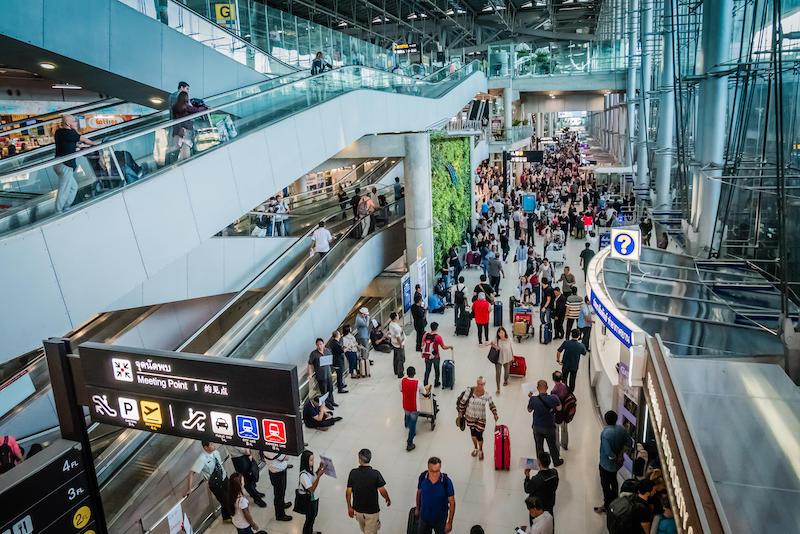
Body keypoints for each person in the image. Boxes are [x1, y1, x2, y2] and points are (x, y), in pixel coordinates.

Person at [54, 115, 98, 212]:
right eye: (74, 121)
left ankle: (66, 207)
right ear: (68, 124)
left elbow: (72, 144)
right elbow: (84, 139)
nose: (76, 123)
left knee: (73, 187)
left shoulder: (59, 132)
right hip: (65, 165)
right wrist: (96, 145)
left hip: (60, 164)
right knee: (64, 189)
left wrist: (80, 146)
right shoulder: (68, 132)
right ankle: (58, 211)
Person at [346, 449, 391, 534]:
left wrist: (349, 507)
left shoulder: (353, 473)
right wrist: (387, 498)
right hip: (372, 511)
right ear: (370, 458)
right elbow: (382, 490)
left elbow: (348, 492)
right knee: (370, 531)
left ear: (359, 460)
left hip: (358, 511)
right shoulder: (375, 474)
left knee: (365, 530)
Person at [594, 410, 630, 514]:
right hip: (617, 465)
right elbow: (629, 443)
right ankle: (615, 502)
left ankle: (607, 505)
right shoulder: (621, 430)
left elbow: (608, 452)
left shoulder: (605, 433)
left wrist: (614, 457)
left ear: (605, 420)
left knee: (605, 485)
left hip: (606, 465)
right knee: (614, 481)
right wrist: (620, 455)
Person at [457, 376, 498, 460]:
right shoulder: (469, 391)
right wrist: (460, 413)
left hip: (481, 418)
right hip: (470, 417)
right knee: (473, 433)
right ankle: (475, 448)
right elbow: (463, 401)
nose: (480, 386)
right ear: (477, 383)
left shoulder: (486, 395)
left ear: (484, 384)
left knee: (479, 435)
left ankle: (480, 450)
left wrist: (495, 414)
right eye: (479, 384)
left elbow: (491, 404)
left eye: (482, 384)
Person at [188, 441, 231, 521]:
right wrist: (189, 489)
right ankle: (234, 517)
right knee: (226, 501)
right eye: (211, 444)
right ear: (205, 447)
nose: (214, 445)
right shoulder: (202, 459)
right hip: (216, 484)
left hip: (224, 478)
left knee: (228, 498)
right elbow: (191, 473)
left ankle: (226, 517)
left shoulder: (216, 452)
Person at [527, 380, 563, 467]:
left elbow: (529, 410)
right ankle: (556, 461)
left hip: (537, 427)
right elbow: (559, 409)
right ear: (547, 388)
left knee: (539, 447)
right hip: (549, 427)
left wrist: (531, 397)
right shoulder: (553, 398)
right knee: (552, 446)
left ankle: (541, 464)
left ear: (537, 388)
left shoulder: (533, 399)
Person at [415, 457, 456, 534]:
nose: (434, 474)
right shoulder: (423, 477)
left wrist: (450, 522)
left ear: (440, 468)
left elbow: (452, 503)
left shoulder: (446, 482)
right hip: (424, 517)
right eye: (432, 471)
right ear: (428, 468)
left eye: (437, 471)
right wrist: (417, 508)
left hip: (440, 520)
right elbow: (419, 493)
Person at [401, 366, 430, 451]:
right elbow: (424, 392)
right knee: (413, 426)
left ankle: (406, 424)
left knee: (407, 414)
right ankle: (409, 443)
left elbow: (400, 389)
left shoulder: (402, 381)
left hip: (405, 405)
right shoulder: (418, 382)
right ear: (414, 373)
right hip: (414, 407)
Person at [171, 92, 207, 160]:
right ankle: (185, 161)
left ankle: (177, 161)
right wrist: (205, 107)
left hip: (177, 130)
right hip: (186, 129)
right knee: (186, 147)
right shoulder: (186, 106)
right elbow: (197, 110)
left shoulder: (174, 106)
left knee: (178, 147)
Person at [523, 452, 559, 518]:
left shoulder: (536, 479)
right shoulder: (555, 472)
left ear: (539, 463)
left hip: (538, 507)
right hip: (550, 503)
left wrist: (527, 476)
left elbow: (527, 489)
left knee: (536, 524)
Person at [298, 450, 326, 534]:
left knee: (313, 516)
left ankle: (310, 531)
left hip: (314, 498)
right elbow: (311, 489)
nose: (313, 462)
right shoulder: (303, 475)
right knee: (310, 519)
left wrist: (319, 469)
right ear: (305, 461)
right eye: (311, 460)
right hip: (309, 500)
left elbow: (313, 477)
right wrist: (319, 477)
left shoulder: (309, 469)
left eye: (313, 459)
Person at [264, 451, 293, 522]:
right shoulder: (272, 451)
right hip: (278, 474)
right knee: (279, 495)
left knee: (281, 492)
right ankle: (280, 515)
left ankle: (282, 504)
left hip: (275, 471)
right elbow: (287, 457)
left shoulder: (265, 449)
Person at [308, 337, 336, 409]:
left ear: (323, 344)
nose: (320, 346)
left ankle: (332, 401)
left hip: (328, 374)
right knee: (324, 391)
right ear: (316, 345)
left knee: (330, 388)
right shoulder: (314, 354)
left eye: (321, 344)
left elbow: (330, 360)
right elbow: (310, 364)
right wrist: (310, 374)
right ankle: (327, 404)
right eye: (318, 345)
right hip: (321, 376)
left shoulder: (327, 351)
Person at [421, 322, 451, 387]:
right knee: (436, 370)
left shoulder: (425, 335)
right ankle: (436, 383)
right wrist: (450, 347)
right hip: (435, 356)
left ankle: (425, 384)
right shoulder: (438, 337)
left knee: (427, 371)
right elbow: (443, 347)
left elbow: (423, 345)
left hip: (427, 356)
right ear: (436, 328)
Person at [550, 370, 571, 450]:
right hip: (565, 413)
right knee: (564, 429)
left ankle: (557, 448)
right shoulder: (565, 386)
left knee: (556, 431)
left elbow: (554, 405)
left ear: (553, 379)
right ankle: (564, 445)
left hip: (558, 414)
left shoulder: (554, 391)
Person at [490, 326, 514, 394]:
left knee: (507, 372)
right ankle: (498, 388)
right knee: (498, 373)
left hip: (507, 358)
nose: (501, 334)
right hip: (498, 359)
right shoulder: (496, 339)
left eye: (502, 332)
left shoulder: (509, 339)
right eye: (499, 333)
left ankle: (505, 380)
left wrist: (512, 356)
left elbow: (511, 348)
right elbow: (491, 343)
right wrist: (496, 346)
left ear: (504, 332)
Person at [328, 330, 349, 394]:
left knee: (340, 374)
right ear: (337, 335)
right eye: (339, 334)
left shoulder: (333, 342)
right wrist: (347, 348)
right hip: (338, 361)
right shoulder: (336, 343)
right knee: (339, 374)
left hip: (336, 361)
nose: (340, 335)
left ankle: (341, 384)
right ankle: (340, 388)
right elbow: (341, 351)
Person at [389, 312, 406, 378]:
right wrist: (401, 344)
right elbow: (398, 337)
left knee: (396, 358)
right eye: (397, 315)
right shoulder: (395, 327)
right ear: (395, 317)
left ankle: (396, 371)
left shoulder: (391, 324)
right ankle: (400, 373)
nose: (398, 316)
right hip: (398, 344)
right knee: (401, 359)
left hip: (394, 343)